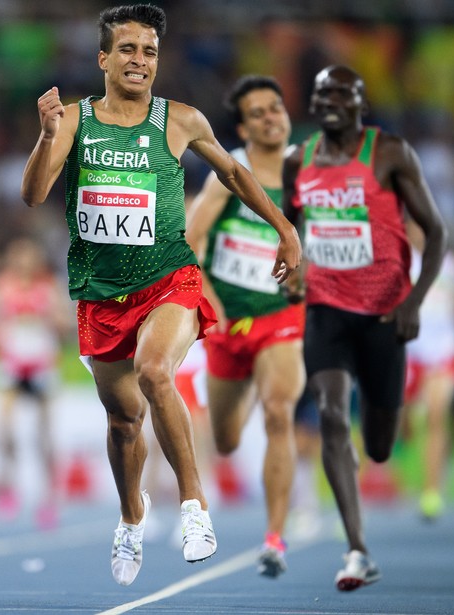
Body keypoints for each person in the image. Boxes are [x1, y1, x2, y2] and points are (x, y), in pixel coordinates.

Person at [20, 4, 301, 586]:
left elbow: (234, 172)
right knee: (124, 421)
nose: (139, 61)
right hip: (99, 293)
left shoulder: (182, 120)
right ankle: (130, 518)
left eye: (148, 52)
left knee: (155, 371)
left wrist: (284, 227)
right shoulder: (73, 120)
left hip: (168, 277)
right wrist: (46, 136)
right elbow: (34, 194)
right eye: (127, 49)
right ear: (103, 58)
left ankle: (194, 507)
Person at [282, 65, 446, 592]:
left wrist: (415, 301)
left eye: (340, 93)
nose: (329, 100)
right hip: (326, 311)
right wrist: (292, 270)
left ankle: (369, 456)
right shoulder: (297, 162)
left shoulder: (390, 152)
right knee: (330, 414)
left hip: (383, 315)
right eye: (321, 92)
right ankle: (357, 549)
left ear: (361, 102)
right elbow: (291, 229)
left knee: (378, 445)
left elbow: (437, 232)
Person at [185, 75, 306, 579]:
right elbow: (189, 244)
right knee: (228, 440)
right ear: (243, 127)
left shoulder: (310, 173)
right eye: (257, 113)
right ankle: (249, 383)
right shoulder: (227, 175)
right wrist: (211, 306)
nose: (270, 117)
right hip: (228, 326)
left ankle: (274, 539)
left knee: (280, 412)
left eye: (275, 107)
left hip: (281, 318)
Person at [0, 236, 71, 529]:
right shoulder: (1, 285)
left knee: (43, 436)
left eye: (29, 257)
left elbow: (63, 328)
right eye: (18, 256)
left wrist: (48, 316)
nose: (24, 262)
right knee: (5, 430)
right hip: (11, 362)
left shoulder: (49, 286)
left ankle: (49, 498)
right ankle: (8, 490)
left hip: (40, 363)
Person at [400, 220, 454, 522]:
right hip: (411, 354)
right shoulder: (400, 262)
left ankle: (431, 491)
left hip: (444, 352)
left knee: (438, 416)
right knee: (404, 426)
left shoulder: (450, 264)